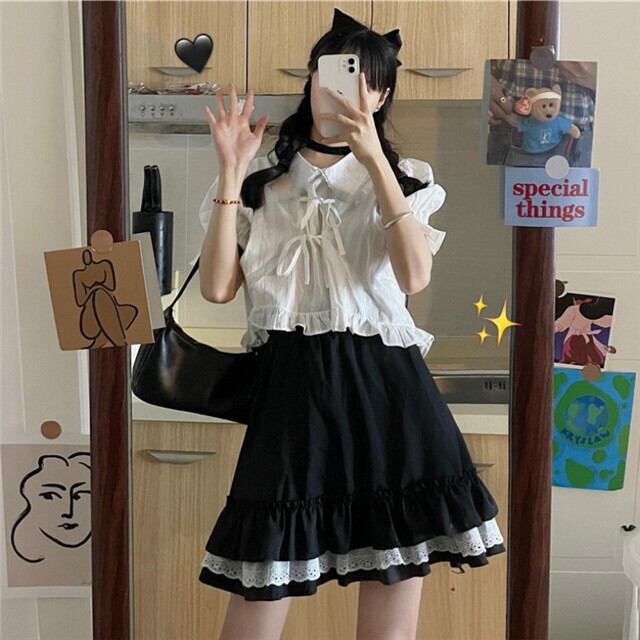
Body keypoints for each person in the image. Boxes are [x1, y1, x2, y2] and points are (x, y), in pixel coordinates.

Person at [196, 8, 506, 640]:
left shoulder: (408, 178)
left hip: (388, 393)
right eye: (333, 71)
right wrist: (230, 169)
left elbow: (414, 276)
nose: (343, 89)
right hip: (290, 394)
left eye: (365, 79)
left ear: (381, 95)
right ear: (311, 78)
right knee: (257, 598)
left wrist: (375, 163)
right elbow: (218, 288)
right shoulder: (259, 179)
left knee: (390, 614)